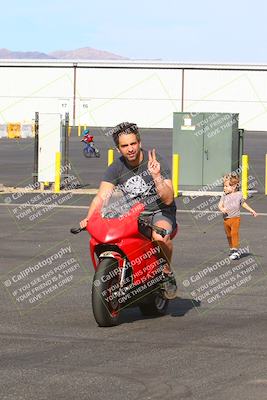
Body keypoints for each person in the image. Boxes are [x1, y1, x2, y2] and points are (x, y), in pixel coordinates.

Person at [80, 122, 177, 298]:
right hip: (131, 214)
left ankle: (166, 272)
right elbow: (101, 197)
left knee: (159, 236)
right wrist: (89, 218)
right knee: (113, 237)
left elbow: (169, 198)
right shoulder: (116, 167)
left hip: (159, 211)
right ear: (119, 149)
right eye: (125, 146)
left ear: (139, 143)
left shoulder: (156, 161)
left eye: (133, 144)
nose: (130, 149)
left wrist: (156, 176)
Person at [218, 174, 257, 260]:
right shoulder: (224, 196)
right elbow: (219, 205)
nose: (224, 188)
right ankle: (232, 249)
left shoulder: (239, 194)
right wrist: (222, 209)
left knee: (234, 233)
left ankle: (235, 251)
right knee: (228, 235)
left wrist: (251, 210)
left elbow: (243, 203)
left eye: (226, 186)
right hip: (226, 219)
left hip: (235, 218)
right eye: (224, 186)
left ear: (234, 186)